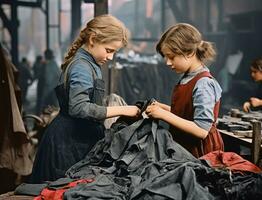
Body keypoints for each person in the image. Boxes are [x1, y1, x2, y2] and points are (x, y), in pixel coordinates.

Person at [30, 15, 140, 183]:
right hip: (67, 144)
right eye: (109, 50)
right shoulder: (81, 66)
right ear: (93, 39)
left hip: (78, 140)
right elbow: (79, 108)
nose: (110, 57)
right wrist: (124, 110)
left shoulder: (91, 64)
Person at [145, 23, 224, 158]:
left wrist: (163, 115)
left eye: (172, 57)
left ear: (190, 53)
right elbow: (186, 114)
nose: (168, 62)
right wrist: (162, 108)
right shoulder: (187, 78)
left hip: (201, 152)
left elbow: (201, 129)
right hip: (184, 147)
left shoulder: (203, 84)